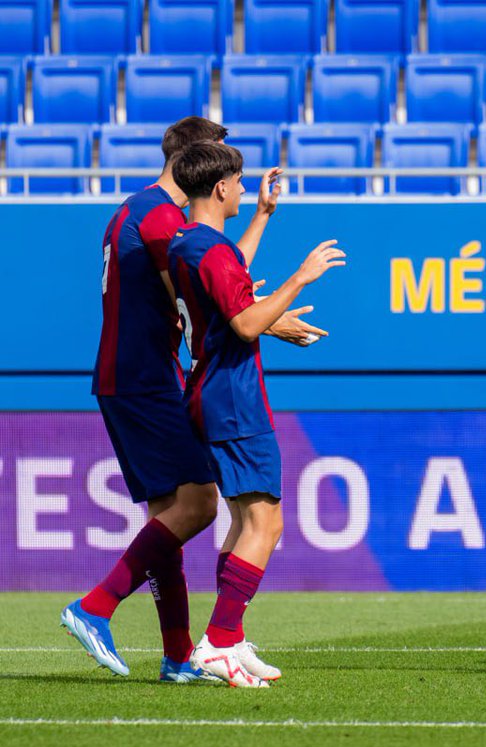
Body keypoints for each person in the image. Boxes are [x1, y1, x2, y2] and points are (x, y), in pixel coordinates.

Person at [61, 117, 322, 682]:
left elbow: (218, 273)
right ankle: (99, 606)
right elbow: (206, 290)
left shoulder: (151, 213)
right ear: (198, 162)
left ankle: (180, 654)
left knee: (171, 514)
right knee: (200, 505)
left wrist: (260, 220)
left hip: (139, 373)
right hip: (145, 375)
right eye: (223, 158)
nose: (231, 172)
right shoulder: (160, 219)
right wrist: (272, 319)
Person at [165, 141, 345, 687]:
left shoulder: (187, 244)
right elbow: (244, 322)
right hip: (234, 398)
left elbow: (231, 271)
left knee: (248, 519)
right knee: (265, 521)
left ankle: (230, 638)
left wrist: (264, 216)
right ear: (221, 188)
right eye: (241, 183)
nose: (244, 189)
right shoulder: (209, 251)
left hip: (212, 391)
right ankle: (218, 641)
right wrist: (300, 277)